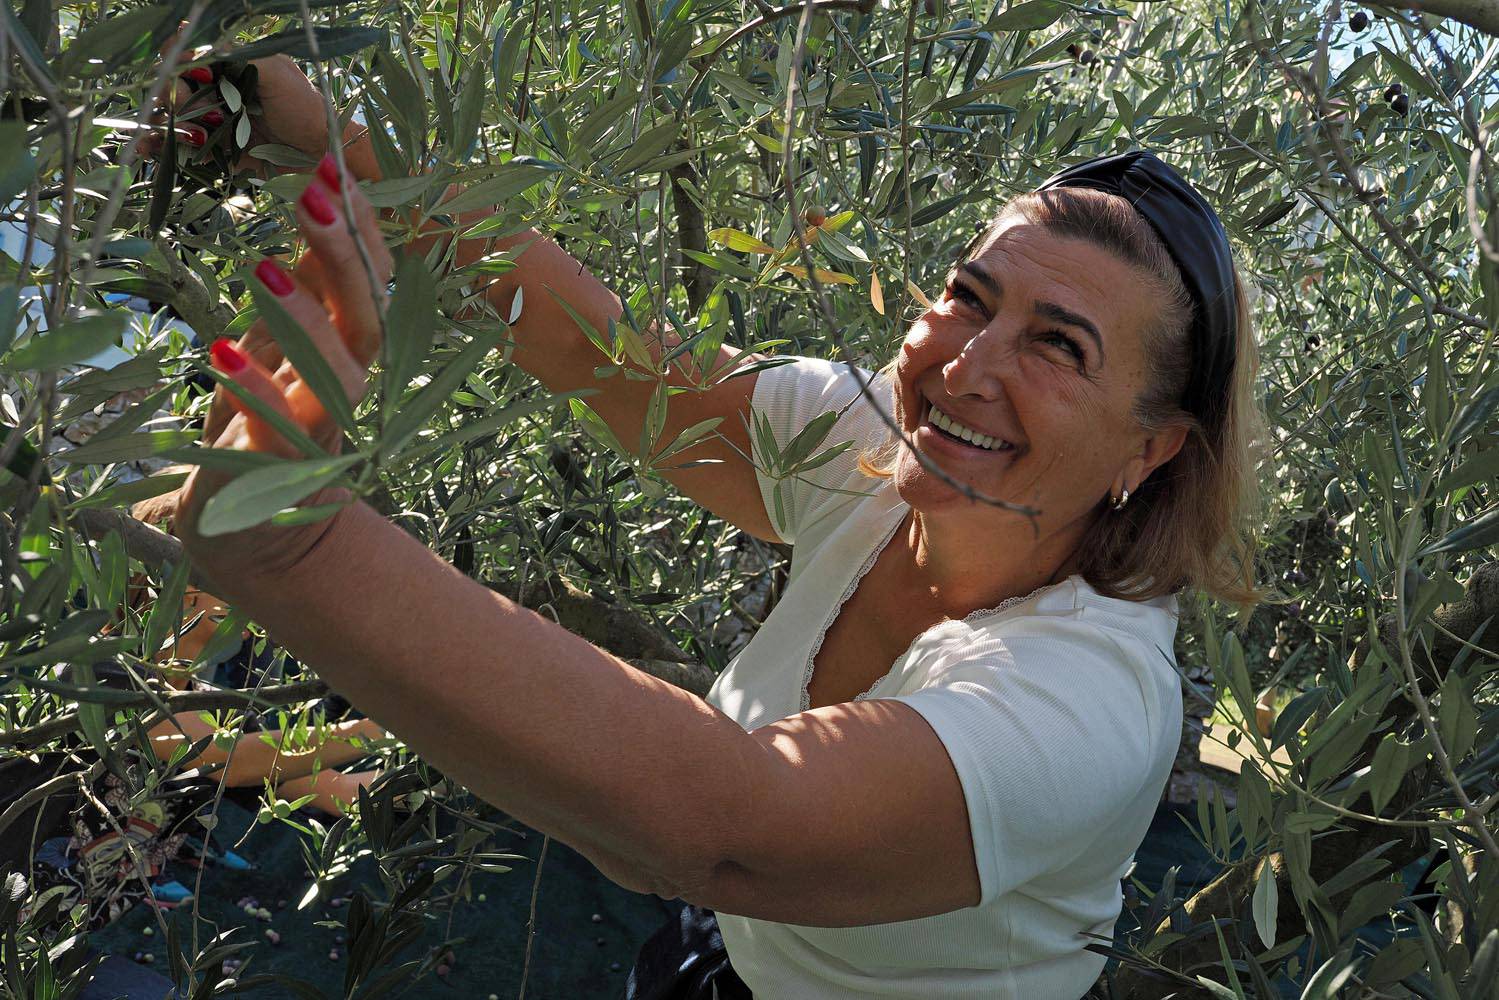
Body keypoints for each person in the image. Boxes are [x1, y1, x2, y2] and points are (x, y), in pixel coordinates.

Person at [142, 51, 1266, 999]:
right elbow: (595, 352)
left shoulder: (1090, 698)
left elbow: (723, 825)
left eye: (1057, 345)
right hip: (717, 957)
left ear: (1150, 447)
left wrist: (294, 547)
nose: (967, 364)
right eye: (969, 295)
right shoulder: (864, 443)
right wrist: (317, 135)